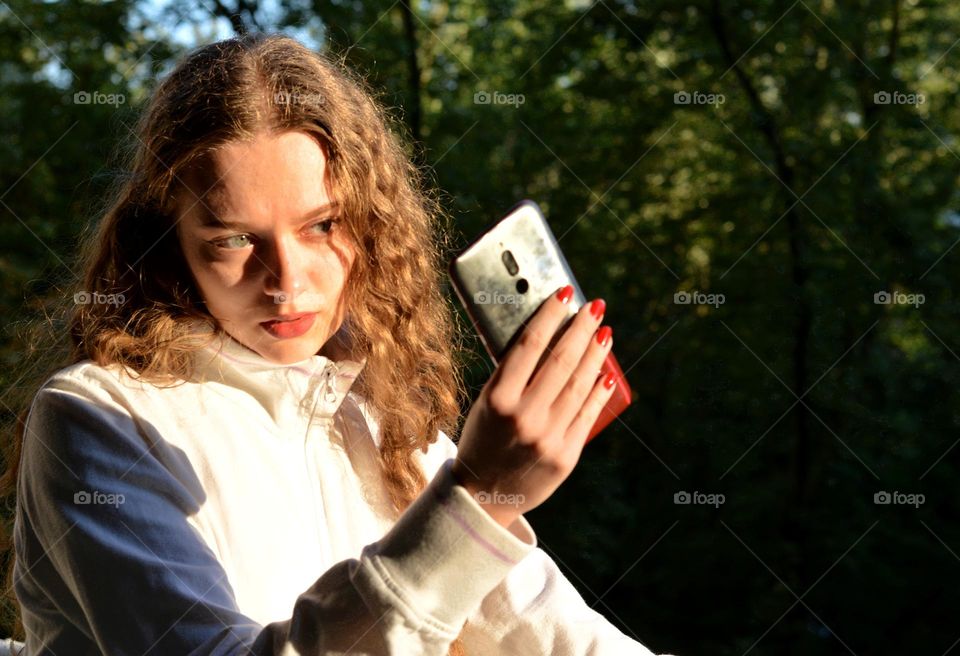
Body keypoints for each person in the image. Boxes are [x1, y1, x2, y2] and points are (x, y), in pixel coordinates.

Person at [3, 33, 676, 655]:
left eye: (323, 225)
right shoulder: (96, 421)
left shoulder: (388, 429)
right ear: (168, 244)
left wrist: (481, 499)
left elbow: (562, 636)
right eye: (233, 239)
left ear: (372, 222)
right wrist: (478, 497)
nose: (287, 282)